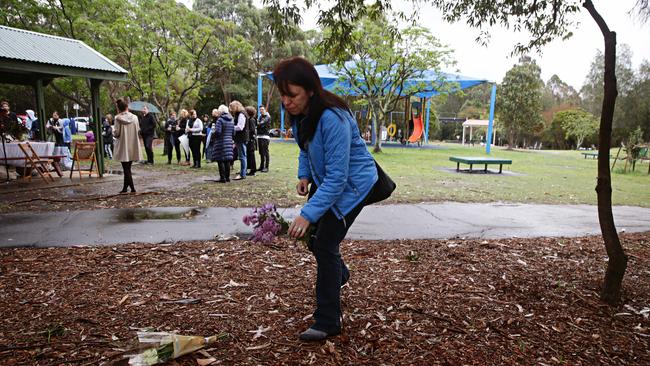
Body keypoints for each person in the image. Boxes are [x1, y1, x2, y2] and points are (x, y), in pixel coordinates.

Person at [273, 56, 378, 342]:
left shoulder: (333, 118)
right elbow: (305, 149)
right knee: (319, 241)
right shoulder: (301, 116)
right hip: (330, 182)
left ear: (309, 89)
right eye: (282, 95)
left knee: (325, 241)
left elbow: (338, 179)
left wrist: (307, 214)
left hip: (354, 186)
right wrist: (304, 175)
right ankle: (339, 275)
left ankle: (328, 320)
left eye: (291, 95)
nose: (286, 102)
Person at [113, 98, 142, 193]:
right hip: (133, 145)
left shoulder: (117, 118)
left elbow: (116, 133)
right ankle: (125, 188)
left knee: (126, 168)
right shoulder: (135, 117)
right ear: (127, 107)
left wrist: (114, 132)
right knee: (128, 168)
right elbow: (138, 130)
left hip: (123, 145)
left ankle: (132, 188)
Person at [210, 105, 234, 183]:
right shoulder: (231, 119)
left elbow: (218, 132)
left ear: (221, 111)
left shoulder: (220, 120)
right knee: (227, 160)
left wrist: (213, 134)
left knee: (220, 160)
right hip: (229, 141)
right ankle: (227, 177)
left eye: (219, 111)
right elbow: (234, 132)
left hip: (221, 141)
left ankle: (222, 178)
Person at [230, 100, 248, 180]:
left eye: (232, 108)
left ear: (236, 107)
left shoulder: (241, 114)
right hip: (240, 138)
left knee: (242, 156)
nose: (231, 110)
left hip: (241, 138)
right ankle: (243, 172)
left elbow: (240, 127)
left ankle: (242, 174)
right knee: (242, 156)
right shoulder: (240, 114)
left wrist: (231, 127)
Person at [256, 105, 271, 172]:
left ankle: (266, 167)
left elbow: (260, 124)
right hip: (259, 136)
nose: (261, 110)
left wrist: (259, 124)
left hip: (265, 136)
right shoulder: (260, 117)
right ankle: (261, 166)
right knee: (261, 152)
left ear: (265, 110)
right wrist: (259, 124)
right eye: (260, 109)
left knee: (265, 152)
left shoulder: (267, 117)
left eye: (262, 109)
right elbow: (258, 124)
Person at [245, 106, 257, 176]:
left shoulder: (251, 120)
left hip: (251, 140)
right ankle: (249, 168)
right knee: (249, 155)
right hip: (249, 139)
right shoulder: (248, 119)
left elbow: (252, 130)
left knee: (251, 155)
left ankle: (253, 170)